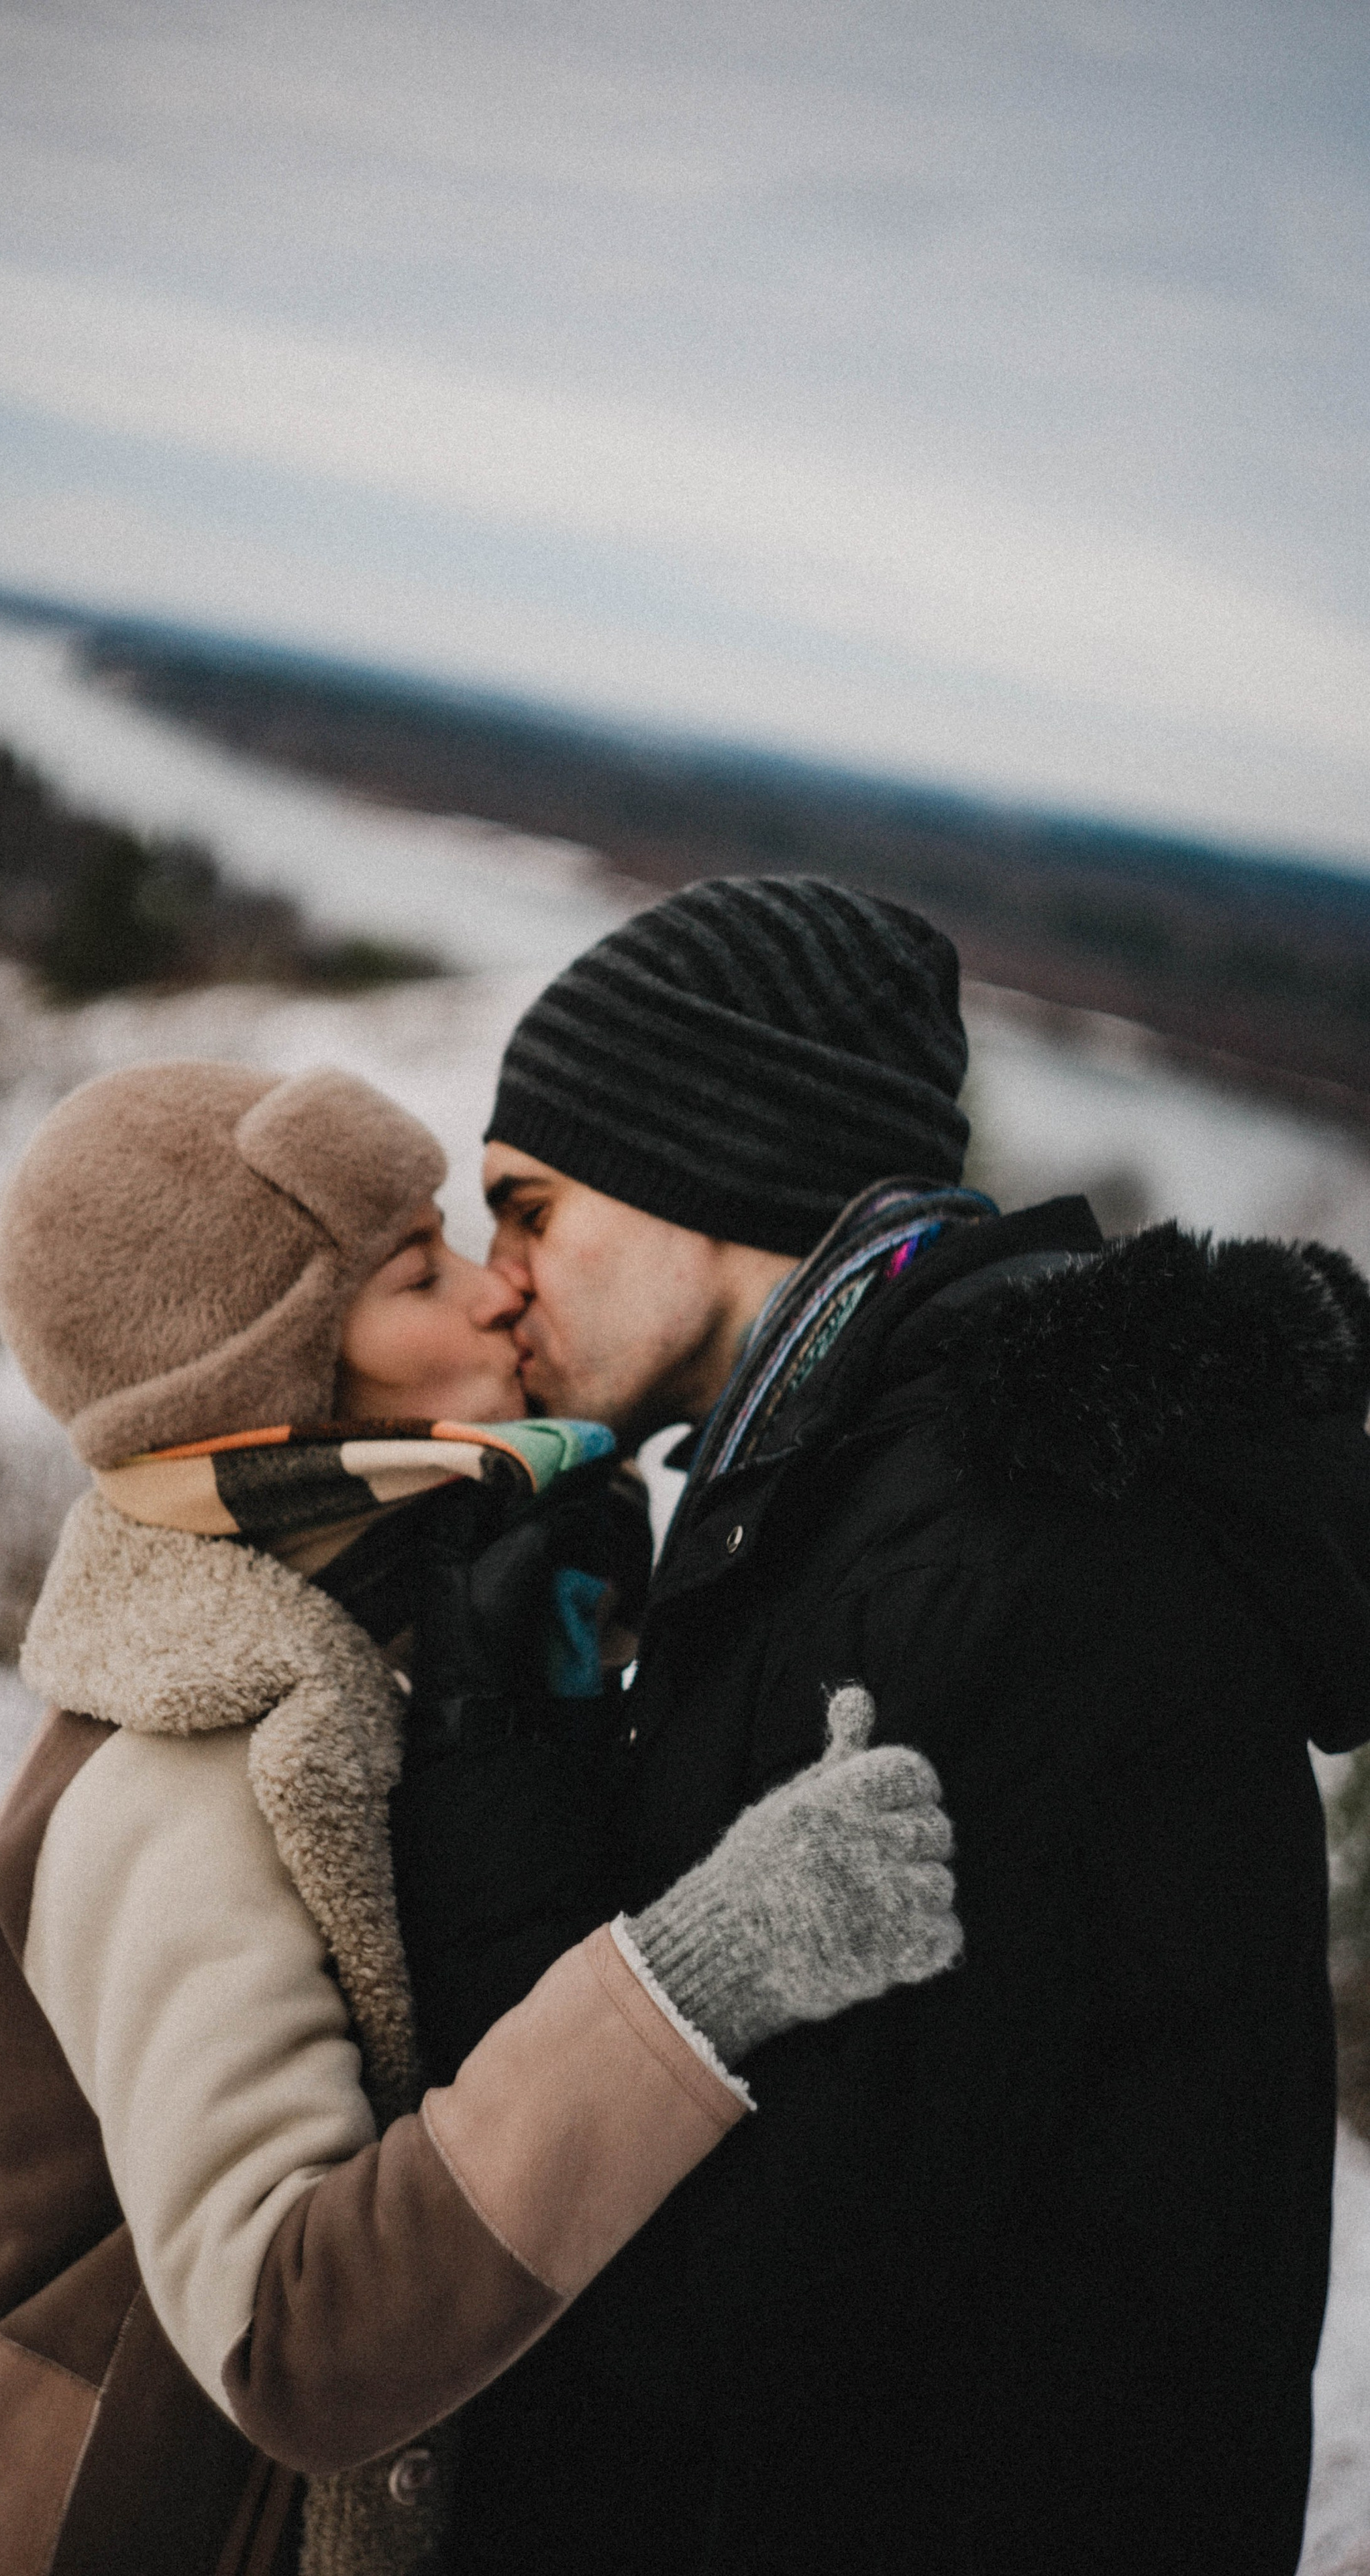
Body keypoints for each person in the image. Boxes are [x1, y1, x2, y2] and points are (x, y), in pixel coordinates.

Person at [0, 1059, 962, 2576]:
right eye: (419, 1272)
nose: (493, 1296)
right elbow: (292, 2335)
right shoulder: (179, 1772)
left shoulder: (388, 1644)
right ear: (261, 1377)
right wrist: (701, 1973)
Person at [398, 874, 1370, 2576]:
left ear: (701, 1163)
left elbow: (724, 2304)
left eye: (528, 1208)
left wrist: (497, 1755)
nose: (499, 1286)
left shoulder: (997, 1568)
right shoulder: (857, 1507)